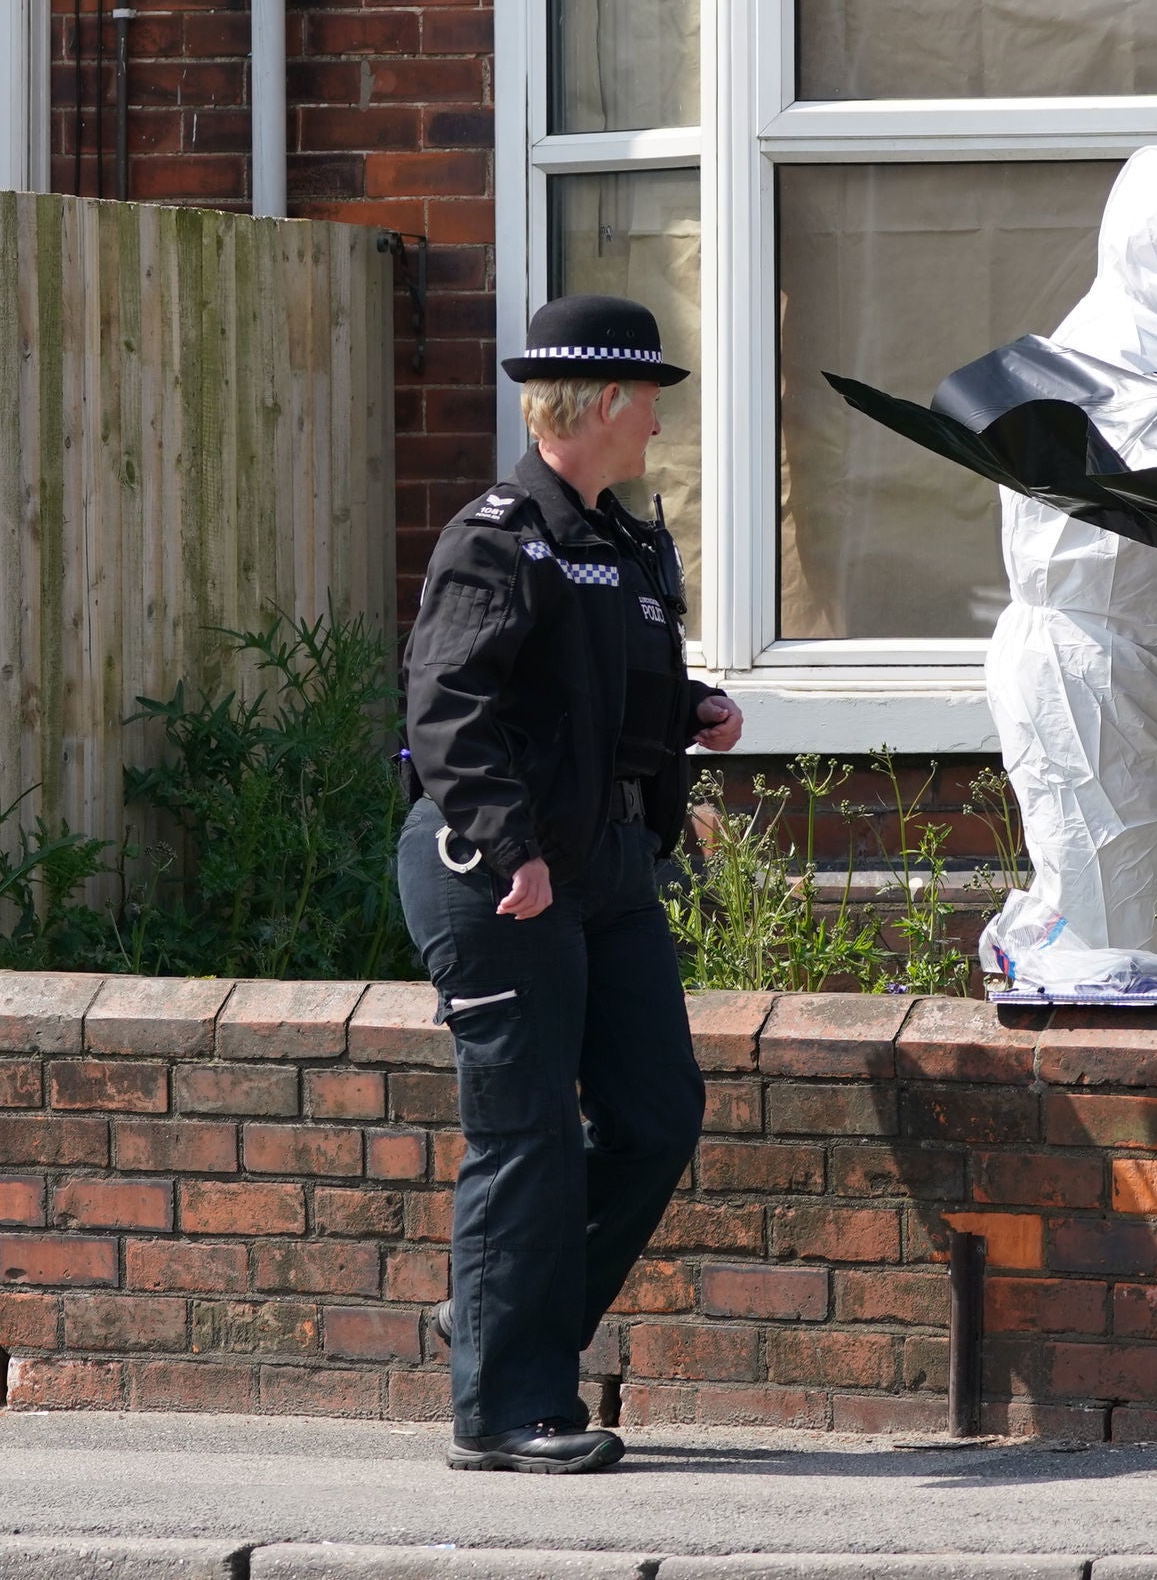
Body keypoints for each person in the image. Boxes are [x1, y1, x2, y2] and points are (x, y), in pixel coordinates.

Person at [396, 293, 744, 1475]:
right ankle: (501, 1408)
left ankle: (495, 1322)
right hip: (501, 871)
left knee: (656, 1114)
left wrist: (694, 713)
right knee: (527, 1132)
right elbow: (449, 711)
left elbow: (614, 698)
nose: (656, 419)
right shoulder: (499, 537)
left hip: (604, 867)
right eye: (647, 396)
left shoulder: (624, 544)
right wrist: (514, 850)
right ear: (598, 402)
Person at [983, 147, 1157, 972]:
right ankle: (1093, 1097)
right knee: (1109, 946)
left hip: (1143, 673)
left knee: (1128, 926)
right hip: (1094, 672)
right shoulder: (1108, 348)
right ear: (1155, 239)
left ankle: (1109, 1087)